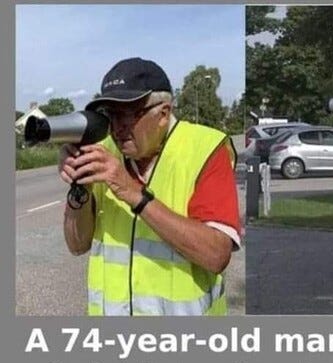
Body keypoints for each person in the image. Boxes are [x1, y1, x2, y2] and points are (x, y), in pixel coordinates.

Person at [58, 57, 241, 316]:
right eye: (111, 115)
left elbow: (216, 256)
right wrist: (79, 188)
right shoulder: (104, 153)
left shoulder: (204, 150)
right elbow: (77, 245)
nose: (117, 128)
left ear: (163, 114)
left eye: (128, 115)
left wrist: (134, 194)